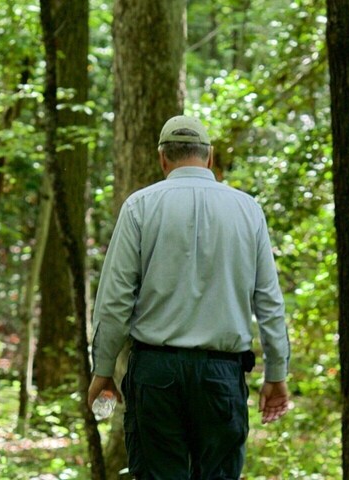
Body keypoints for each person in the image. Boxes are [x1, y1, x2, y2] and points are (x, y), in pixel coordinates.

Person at [86, 115, 291, 479]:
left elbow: (115, 300)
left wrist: (103, 369)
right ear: (209, 157)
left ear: (163, 158)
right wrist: (276, 372)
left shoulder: (140, 206)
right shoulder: (247, 210)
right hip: (221, 375)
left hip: (156, 374)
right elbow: (269, 302)